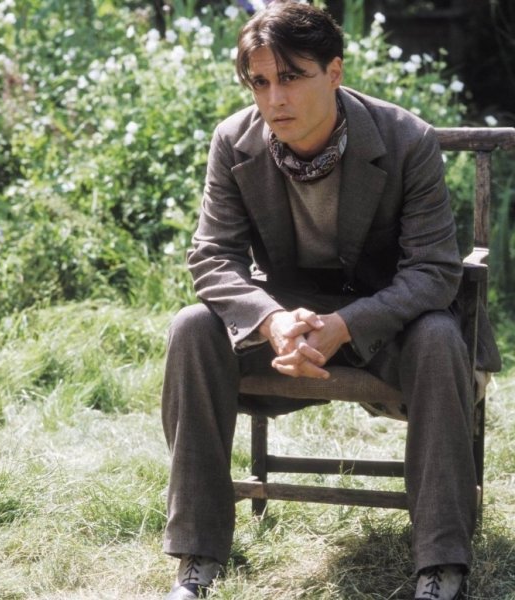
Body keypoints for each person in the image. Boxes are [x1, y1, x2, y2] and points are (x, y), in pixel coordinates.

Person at [160, 2, 501, 599]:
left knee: (441, 334)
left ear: (335, 72)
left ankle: (442, 564)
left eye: (292, 77)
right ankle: (197, 554)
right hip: (287, 329)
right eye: (259, 82)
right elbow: (212, 257)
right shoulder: (234, 141)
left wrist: (345, 324)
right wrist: (271, 320)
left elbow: (432, 270)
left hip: (387, 322)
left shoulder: (407, 139)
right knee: (192, 327)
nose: (275, 99)